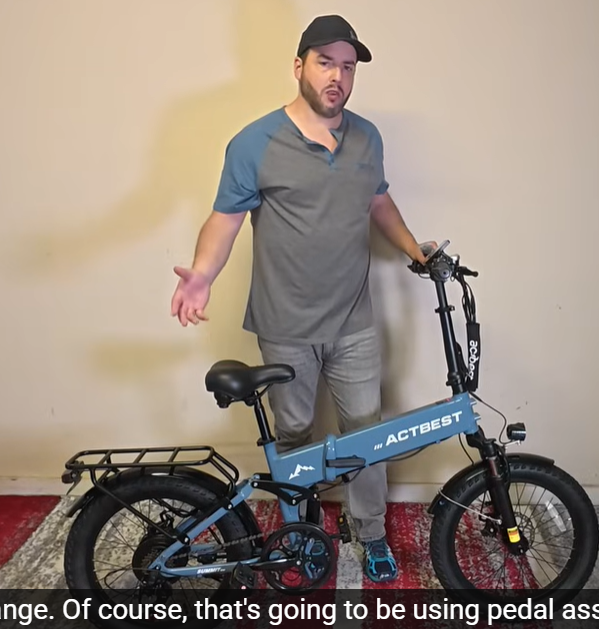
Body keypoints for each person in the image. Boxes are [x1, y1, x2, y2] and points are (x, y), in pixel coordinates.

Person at [170, 14, 431, 584]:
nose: (337, 76)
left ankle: (371, 534)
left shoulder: (366, 137)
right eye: (324, 62)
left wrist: (416, 251)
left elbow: (377, 201)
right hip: (285, 325)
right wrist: (204, 275)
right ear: (299, 66)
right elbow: (225, 219)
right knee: (293, 438)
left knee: (366, 432)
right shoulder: (254, 142)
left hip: (354, 321)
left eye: (347, 65)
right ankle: (300, 535)